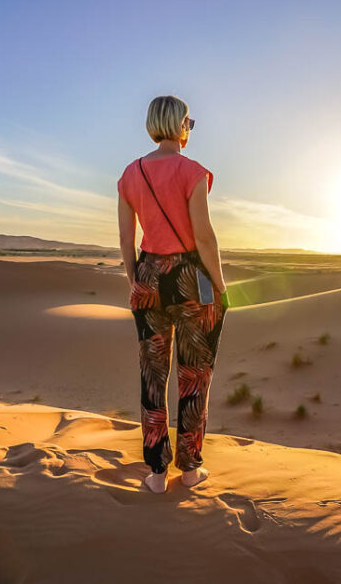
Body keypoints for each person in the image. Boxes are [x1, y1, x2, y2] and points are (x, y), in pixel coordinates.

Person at [117, 94, 228, 493]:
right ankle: (191, 468)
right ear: (180, 126)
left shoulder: (131, 174)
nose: (189, 129)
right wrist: (219, 284)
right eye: (189, 122)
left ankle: (157, 473)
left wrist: (137, 281)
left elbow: (126, 241)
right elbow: (204, 236)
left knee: (153, 377)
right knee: (194, 376)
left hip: (148, 275)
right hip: (191, 279)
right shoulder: (193, 171)